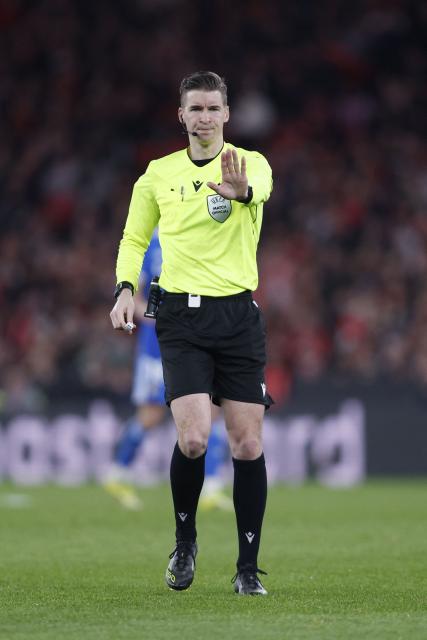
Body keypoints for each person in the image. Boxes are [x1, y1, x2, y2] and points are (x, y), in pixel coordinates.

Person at [110, 71, 273, 596]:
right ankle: (186, 543)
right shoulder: (158, 174)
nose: (204, 117)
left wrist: (240, 191)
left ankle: (247, 569)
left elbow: (257, 192)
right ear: (181, 115)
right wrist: (122, 289)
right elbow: (134, 237)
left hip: (237, 317)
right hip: (180, 318)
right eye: (195, 109)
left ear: (227, 114)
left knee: (247, 444)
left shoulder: (253, 165)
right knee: (195, 437)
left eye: (212, 109)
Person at [105, 231, 232, 512]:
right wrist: (152, 316)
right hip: (157, 341)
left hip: (195, 335)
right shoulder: (151, 241)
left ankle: (211, 486)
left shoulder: (193, 231)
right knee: (151, 414)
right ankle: (117, 472)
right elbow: (135, 294)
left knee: (210, 406)